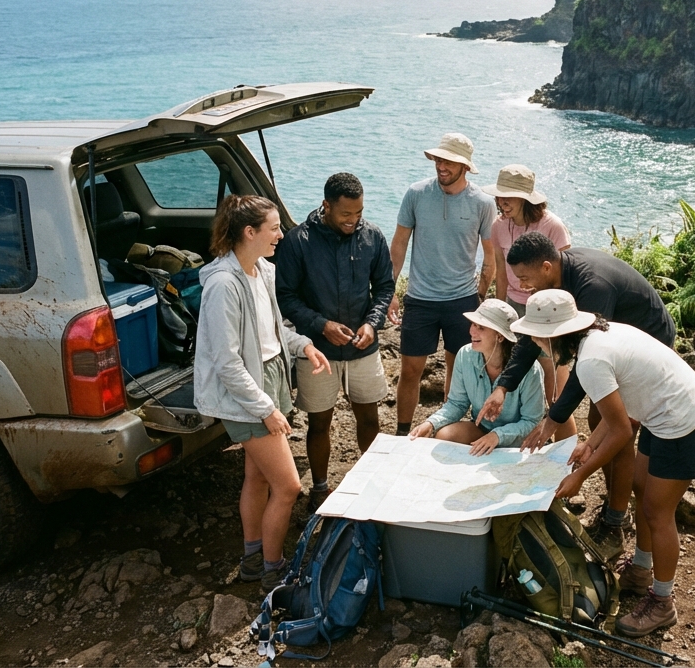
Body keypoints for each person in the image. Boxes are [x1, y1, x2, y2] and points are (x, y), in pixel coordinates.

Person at [511, 289, 695, 638]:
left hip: (684, 422)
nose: (532, 341)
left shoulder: (590, 361)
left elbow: (622, 432)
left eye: (534, 335)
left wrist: (582, 475)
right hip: (661, 412)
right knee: (640, 486)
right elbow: (619, 411)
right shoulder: (598, 337)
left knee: (657, 511)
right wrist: (589, 444)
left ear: (552, 336)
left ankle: (663, 603)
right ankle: (641, 569)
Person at [478, 231, 676, 555]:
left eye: (525, 279)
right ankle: (615, 506)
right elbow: (531, 338)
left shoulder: (591, 288)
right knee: (604, 419)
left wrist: (552, 421)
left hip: (648, 341)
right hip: (616, 346)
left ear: (545, 267)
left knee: (619, 428)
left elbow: (587, 369)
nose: (522, 287)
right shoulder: (553, 284)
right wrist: (503, 387)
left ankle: (616, 522)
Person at [194, 195, 332, 592]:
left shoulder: (263, 272)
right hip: (247, 392)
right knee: (288, 486)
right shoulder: (223, 285)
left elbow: (273, 331)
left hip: (269, 377)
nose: (281, 234)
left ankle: (253, 559)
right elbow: (227, 362)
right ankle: (274, 568)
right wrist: (266, 408)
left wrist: (302, 344)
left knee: (257, 477)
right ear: (249, 232)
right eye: (273, 228)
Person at [276, 172, 394, 512]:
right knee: (319, 423)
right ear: (326, 206)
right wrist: (320, 325)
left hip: (363, 349)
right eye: (346, 214)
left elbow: (385, 287)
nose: (353, 221)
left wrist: (373, 324)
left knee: (369, 419)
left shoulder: (372, 236)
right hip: (316, 352)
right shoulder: (298, 241)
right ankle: (320, 486)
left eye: (358, 213)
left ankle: (371, 480)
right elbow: (285, 296)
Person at [387, 133, 496, 436]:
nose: (441, 165)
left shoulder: (483, 203)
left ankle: (445, 433)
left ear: (465, 166)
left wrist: (481, 297)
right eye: (438, 158)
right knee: (410, 371)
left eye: (449, 161)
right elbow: (398, 245)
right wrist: (390, 292)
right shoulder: (416, 194)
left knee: (458, 372)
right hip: (420, 298)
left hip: (462, 300)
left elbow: (491, 257)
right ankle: (401, 434)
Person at [482, 165, 574, 440]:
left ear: (527, 198)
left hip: (548, 311)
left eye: (509, 196)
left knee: (553, 377)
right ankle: (517, 432)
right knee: (513, 368)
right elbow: (499, 269)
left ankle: (563, 443)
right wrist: (499, 313)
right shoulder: (498, 225)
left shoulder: (552, 226)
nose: (502, 202)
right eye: (500, 196)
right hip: (514, 304)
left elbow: (564, 273)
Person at [408, 299, 543, 453]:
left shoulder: (530, 370)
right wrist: (431, 423)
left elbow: (532, 421)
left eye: (481, 327)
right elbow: (457, 403)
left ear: (500, 336)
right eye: (473, 324)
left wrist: (497, 436)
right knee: (444, 435)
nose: (472, 331)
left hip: (518, 439)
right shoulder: (465, 355)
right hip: (482, 429)